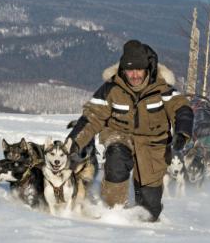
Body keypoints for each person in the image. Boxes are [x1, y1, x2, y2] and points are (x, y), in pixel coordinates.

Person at [67, 39, 193, 222]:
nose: (134, 75)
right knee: (116, 157)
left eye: (139, 70)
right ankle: (115, 212)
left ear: (147, 69)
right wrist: (73, 142)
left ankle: (143, 217)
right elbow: (92, 116)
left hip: (153, 144)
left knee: (150, 212)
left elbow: (182, 109)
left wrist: (182, 132)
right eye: (129, 70)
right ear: (122, 70)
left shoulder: (162, 89)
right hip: (120, 136)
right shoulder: (111, 89)